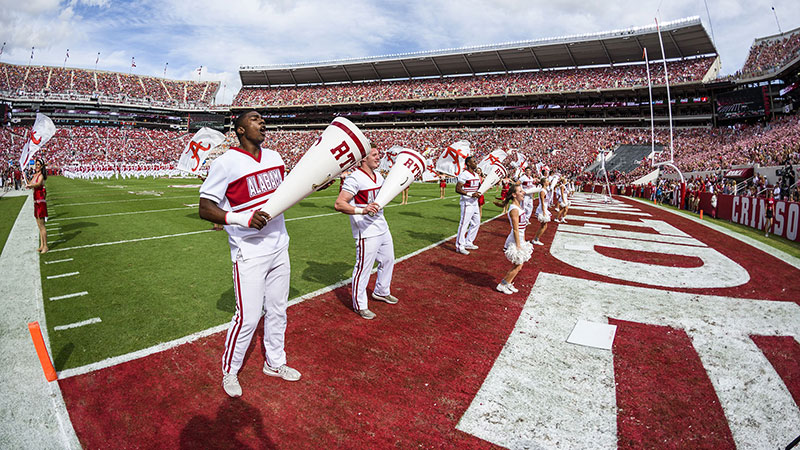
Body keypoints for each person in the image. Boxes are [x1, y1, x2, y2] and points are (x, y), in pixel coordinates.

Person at [198, 110, 301, 398]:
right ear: (240, 130)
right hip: (249, 252)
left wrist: (314, 184)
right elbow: (205, 208)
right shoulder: (226, 162)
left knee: (278, 310)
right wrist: (241, 219)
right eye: (255, 119)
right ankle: (230, 371)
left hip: (280, 245)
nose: (262, 122)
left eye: (262, 119)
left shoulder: (275, 157)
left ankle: (275, 363)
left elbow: (286, 195)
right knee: (248, 316)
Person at [334, 146, 399, 320]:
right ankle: (359, 304)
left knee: (388, 259)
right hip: (366, 231)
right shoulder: (354, 178)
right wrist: (361, 211)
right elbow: (339, 204)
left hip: (382, 226)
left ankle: (381, 291)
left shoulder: (378, 176)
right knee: (364, 268)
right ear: (363, 159)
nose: (379, 157)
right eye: (375, 155)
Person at [495, 184, 532, 294]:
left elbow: (522, 229)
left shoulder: (519, 207)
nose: (523, 193)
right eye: (520, 191)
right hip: (514, 241)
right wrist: (519, 245)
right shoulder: (514, 209)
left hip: (520, 239)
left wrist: (523, 241)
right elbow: (515, 229)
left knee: (518, 264)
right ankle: (502, 284)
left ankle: (509, 283)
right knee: (518, 265)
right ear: (514, 195)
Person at [454, 156, 481, 255]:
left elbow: (477, 187)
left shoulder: (476, 175)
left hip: (474, 202)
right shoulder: (464, 174)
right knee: (464, 224)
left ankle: (468, 242)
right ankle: (459, 246)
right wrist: (470, 194)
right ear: (468, 163)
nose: (475, 163)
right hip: (467, 202)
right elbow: (457, 189)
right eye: (473, 161)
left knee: (476, 222)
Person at [26, 159, 48, 253]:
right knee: (39, 225)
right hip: (36, 202)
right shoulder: (35, 175)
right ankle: (42, 245)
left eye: (38, 165)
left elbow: (38, 184)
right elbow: (30, 183)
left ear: (42, 166)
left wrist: (31, 186)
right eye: (36, 164)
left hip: (40, 202)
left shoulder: (41, 176)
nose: (36, 166)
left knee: (42, 225)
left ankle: (46, 246)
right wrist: (25, 178)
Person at [531, 177, 551, 246]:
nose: (548, 182)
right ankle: (536, 239)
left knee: (544, 226)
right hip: (542, 209)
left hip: (544, 208)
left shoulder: (545, 190)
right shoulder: (542, 191)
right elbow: (542, 202)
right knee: (544, 226)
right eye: (547, 181)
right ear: (544, 183)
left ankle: (536, 239)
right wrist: (544, 211)